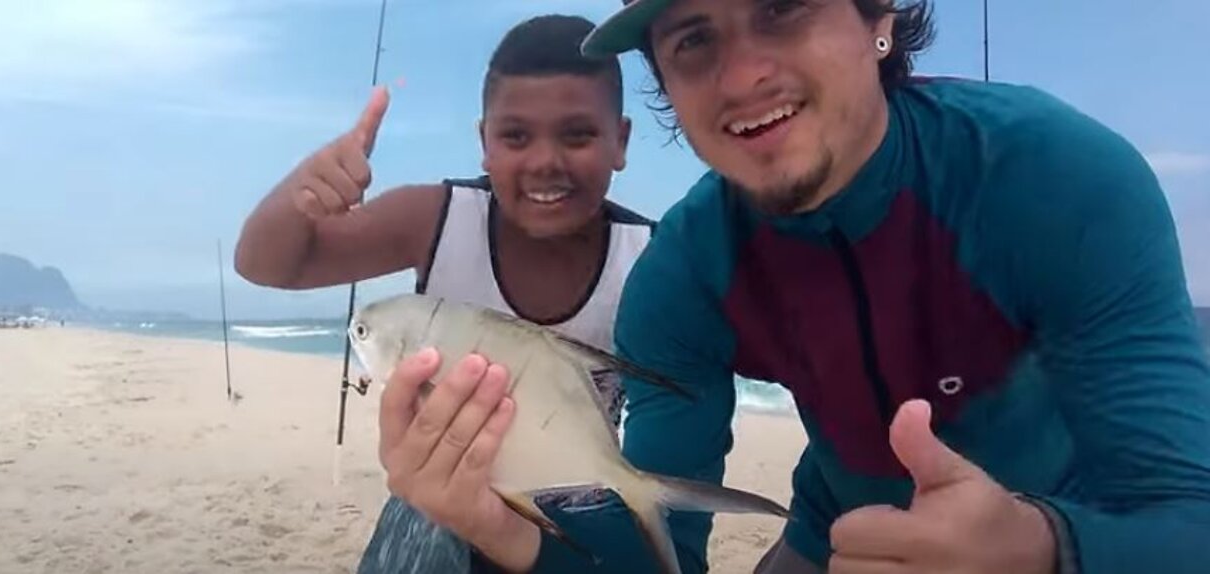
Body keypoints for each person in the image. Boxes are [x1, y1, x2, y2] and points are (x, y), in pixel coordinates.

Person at [372, 0, 1210, 573]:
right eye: (694, 38)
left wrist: (1036, 546)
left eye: (783, 6)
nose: (741, 80)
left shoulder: (1055, 177)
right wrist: (500, 531)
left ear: (877, 18)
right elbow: (655, 553)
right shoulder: (684, 275)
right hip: (830, 535)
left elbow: (1187, 515)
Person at [233, 13, 653, 573]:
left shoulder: (650, 260)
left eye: (577, 135)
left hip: (578, 509)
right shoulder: (433, 218)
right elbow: (268, 264)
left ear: (620, 141)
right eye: (516, 136)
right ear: (484, 142)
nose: (545, 161)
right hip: (439, 505)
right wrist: (301, 194)